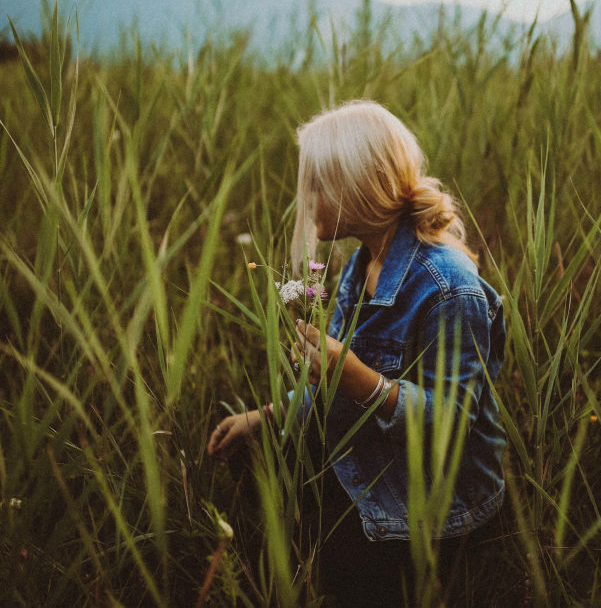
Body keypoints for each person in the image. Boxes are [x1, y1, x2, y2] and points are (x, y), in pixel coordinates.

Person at [206, 99, 507, 606]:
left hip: (441, 498)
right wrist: (265, 415)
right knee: (249, 457)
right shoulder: (362, 264)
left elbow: (452, 425)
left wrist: (357, 378)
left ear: (358, 188)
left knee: (334, 570)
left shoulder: (450, 288)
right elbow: (333, 387)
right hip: (378, 456)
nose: (306, 198)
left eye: (318, 185)